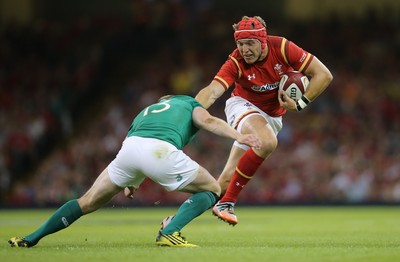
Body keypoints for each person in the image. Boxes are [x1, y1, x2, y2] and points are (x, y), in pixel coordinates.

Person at [8, 95, 261, 248]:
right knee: (213, 189)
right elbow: (207, 121)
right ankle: (170, 232)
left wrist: (133, 181)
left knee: (86, 201)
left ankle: (31, 238)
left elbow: (139, 146)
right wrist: (240, 135)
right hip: (159, 150)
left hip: (128, 150)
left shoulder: (146, 111)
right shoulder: (188, 103)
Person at [195, 16, 333, 225]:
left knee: (223, 182)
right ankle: (227, 203)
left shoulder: (283, 47)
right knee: (267, 142)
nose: (244, 49)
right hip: (242, 105)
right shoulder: (235, 61)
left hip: (272, 117)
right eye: (240, 44)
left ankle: (174, 222)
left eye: (250, 43)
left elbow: (323, 75)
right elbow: (213, 91)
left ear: (263, 41)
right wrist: (189, 109)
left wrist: (300, 103)